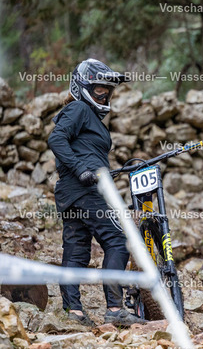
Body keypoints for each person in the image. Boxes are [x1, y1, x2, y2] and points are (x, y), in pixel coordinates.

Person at [48, 58, 145, 327]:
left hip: (72, 192)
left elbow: (84, 152)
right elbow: (56, 139)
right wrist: (82, 169)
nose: (104, 95)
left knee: (77, 251)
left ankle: (73, 312)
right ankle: (115, 308)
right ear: (82, 87)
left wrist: (97, 170)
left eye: (108, 91)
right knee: (119, 240)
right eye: (99, 89)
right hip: (85, 189)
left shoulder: (86, 114)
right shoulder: (78, 108)